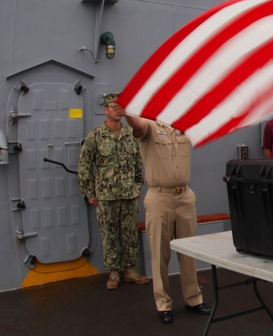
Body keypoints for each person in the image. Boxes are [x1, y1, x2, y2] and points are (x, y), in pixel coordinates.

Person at [124, 113, 211, 324]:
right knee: (159, 254)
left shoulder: (185, 126)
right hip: (159, 197)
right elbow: (136, 124)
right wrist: (127, 110)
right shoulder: (150, 127)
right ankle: (163, 304)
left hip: (184, 196)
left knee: (189, 251)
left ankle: (193, 299)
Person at [78, 93, 151, 290]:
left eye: (120, 107)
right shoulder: (95, 136)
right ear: (106, 110)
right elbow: (84, 165)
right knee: (109, 235)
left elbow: (138, 163)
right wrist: (90, 192)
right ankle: (113, 273)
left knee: (129, 234)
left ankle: (129, 270)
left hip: (128, 195)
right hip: (106, 196)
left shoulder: (130, 135)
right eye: (113, 107)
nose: (117, 111)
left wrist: (137, 186)